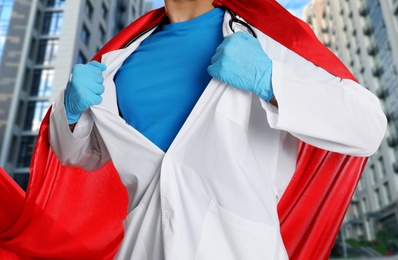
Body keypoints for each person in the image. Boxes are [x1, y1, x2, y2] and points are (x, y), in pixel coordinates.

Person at [48, 0, 387, 259]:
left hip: (237, 248)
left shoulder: (268, 40)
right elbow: (79, 155)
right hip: (144, 246)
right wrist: (71, 111)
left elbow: (368, 126)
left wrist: (269, 80)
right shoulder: (118, 61)